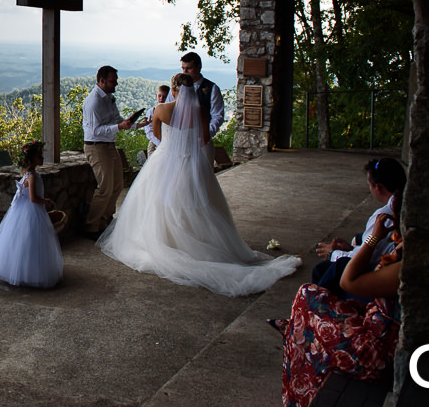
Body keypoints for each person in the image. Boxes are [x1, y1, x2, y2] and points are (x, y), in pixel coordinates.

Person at [96, 73, 299, 296]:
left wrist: (173, 144)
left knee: (159, 203)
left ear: (174, 90)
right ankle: (196, 244)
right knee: (197, 205)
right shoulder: (200, 111)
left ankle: (167, 242)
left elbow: (156, 134)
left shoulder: (161, 110)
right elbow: (204, 138)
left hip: (164, 161)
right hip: (191, 163)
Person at [277, 194, 403, 407]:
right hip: (378, 332)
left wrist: (375, 236)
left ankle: (298, 392)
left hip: (373, 351)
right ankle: (297, 328)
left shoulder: (405, 261)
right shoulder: (401, 248)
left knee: (307, 293)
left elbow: (350, 281)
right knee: (313, 298)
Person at [311, 158, 405, 297]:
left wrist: (334, 254)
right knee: (358, 239)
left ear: (377, 187)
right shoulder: (403, 207)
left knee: (330, 268)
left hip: (378, 279)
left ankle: (319, 310)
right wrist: (352, 248)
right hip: (383, 264)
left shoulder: (384, 216)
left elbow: (361, 261)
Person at [0, 140, 64, 288]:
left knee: (27, 242)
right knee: (31, 242)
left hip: (25, 210)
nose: (42, 158)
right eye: (39, 156)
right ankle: (29, 273)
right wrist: (47, 202)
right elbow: (33, 198)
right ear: (32, 159)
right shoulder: (31, 176)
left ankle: (25, 272)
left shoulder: (30, 174)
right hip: (31, 211)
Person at [82, 65, 135, 236]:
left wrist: (135, 123)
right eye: (113, 81)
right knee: (104, 188)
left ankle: (105, 221)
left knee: (118, 185)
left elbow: (116, 119)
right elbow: (96, 130)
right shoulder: (94, 101)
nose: (116, 85)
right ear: (102, 81)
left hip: (109, 145)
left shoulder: (109, 97)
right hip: (96, 146)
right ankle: (91, 226)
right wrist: (119, 126)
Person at [180, 52, 224, 166]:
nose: (184, 72)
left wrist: (206, 135)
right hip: (181, 141)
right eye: (183, 68)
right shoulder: (177, 87)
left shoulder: (212, 88)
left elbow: (217, 116)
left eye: (188, 68)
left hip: (203, 142)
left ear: (199, 67)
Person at [136, 84, 170, 156]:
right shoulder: (151, 111)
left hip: (168, 141)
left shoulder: (170, 111)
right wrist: (159, 143)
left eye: (164, 97)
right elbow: (149, 130)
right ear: (156, 96)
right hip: (154, 142)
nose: (161, 98)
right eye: (159, 96)